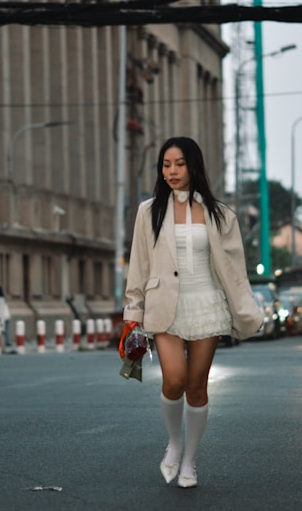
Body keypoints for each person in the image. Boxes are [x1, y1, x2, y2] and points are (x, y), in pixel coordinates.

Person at [123, 136, 263, 489]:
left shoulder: (220, 213)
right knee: (175, 380)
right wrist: (132, 313)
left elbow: (233, 269)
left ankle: (190, 460)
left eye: (179, 164)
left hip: (207, 304)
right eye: (166, 165)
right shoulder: (148, 211)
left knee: (197, 387)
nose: (171, 171)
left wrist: (243, 307)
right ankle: (173, 443)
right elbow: (138, 265)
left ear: (194, 166)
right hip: (165, 306)